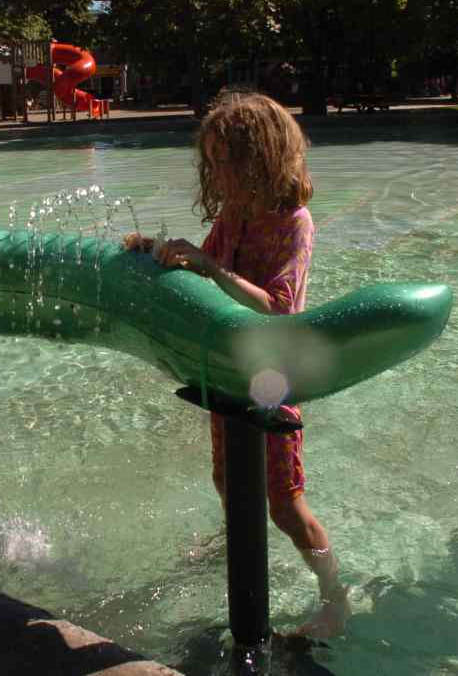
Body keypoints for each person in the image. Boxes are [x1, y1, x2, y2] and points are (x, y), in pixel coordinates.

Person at [124, 89, 351, 636]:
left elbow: (279, 307)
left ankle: (335, 599)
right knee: (226, 478)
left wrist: (208, 266)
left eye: (226, 162)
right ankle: (236, 546)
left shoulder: (295, 222)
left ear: (262, 159)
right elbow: (204, 272)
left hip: (274, 378)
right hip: (228, 370)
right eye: (212, 163)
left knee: (285, 504)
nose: (218, 175)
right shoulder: (233, 216)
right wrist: (158, 253)